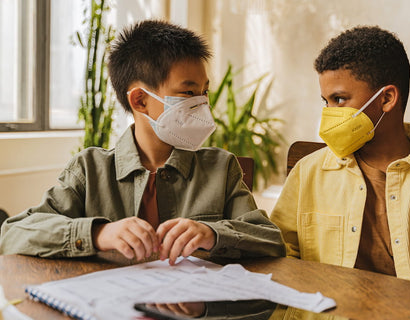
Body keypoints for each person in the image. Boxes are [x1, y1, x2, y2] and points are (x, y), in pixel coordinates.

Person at [0, 19, 285, 264]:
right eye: (188, 94)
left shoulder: (221, 168)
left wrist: (212, 234)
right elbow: (14, 233)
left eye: (204, 93)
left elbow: (271, 240)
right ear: (140, 100)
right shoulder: (90, 169)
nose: (202, 105)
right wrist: (98, 234)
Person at [270, 26, 410, 299]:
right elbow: (278, 261)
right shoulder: (307, 174)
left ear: (387, 99)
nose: (328, 114)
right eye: (326, 101)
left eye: (340, 100)